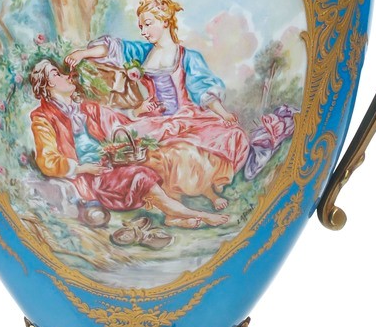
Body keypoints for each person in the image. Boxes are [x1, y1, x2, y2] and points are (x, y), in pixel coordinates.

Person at [26, 57, 228, 238]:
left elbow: (117, 124)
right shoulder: (42, 118)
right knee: (140, 176)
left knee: (163, 156)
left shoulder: (86, 108)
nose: (66, 76)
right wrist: (83, 168)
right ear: (49, 84)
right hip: (92, 177)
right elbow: (47, 160)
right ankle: (201, 215)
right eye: (57, 74)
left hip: (111, 163)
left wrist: (139, 111)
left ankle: (172, 216)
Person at [76, 0, 250, 203]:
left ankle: (204, 186)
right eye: (141, 26)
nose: (144, 31)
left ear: (165, 21)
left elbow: (203, 89)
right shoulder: (143, 52)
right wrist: (82, 54)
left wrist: (224, 114)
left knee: (230, 136)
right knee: (121, 136)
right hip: (153, 120)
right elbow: (113, 49)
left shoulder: (187, 56)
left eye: (148, 24)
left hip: (184, 117)